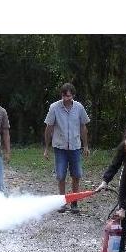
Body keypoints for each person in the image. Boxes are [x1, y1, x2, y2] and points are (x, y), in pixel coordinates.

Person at [43, 83, 90, 213]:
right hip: (60, 147)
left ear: (73, 95)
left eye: (69, 96)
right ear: (61, 95)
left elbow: (83, 127)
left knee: (76, 175)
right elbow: (49, 128)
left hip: (75, 147)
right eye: (64, 95)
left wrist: (85, 146)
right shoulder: (54, 107)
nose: (66, 98)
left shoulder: (79, 107)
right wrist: (46, 148)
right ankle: (62, 202)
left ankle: (74, 202)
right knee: (61, 175)